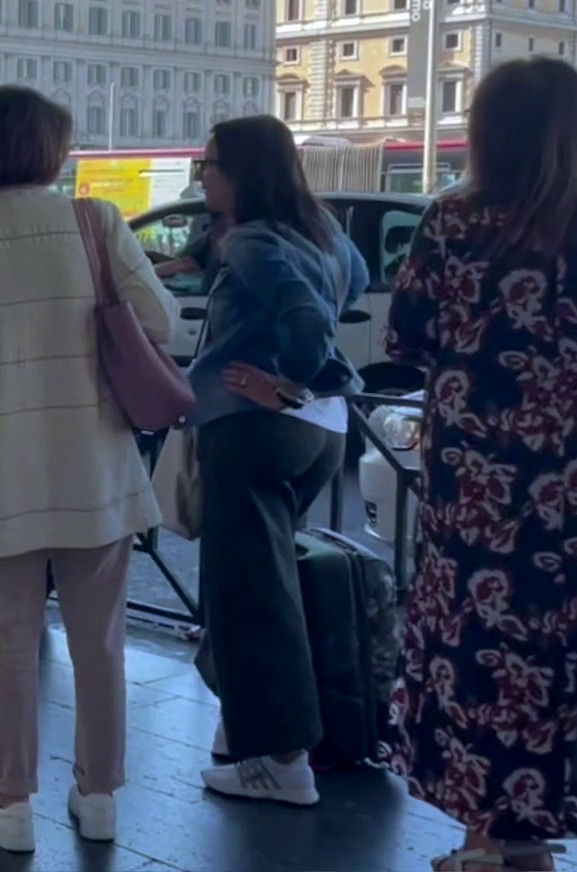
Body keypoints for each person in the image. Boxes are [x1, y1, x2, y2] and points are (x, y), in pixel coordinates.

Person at [0, 87, 173, 852]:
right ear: (51, 150)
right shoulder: (96, 222)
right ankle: (99, 796)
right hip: (96, 471)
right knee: (100, 642)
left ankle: (13, 803)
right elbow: (160, 321)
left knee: (10, 643)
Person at [383, 58, 577, 872]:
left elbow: (406, 338)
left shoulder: (452, 223)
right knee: (576, 660)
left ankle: (491, 841)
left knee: (479, 650)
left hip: (478, 493)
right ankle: (546, 830)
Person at [181, 115, 368, 807]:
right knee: (266, 581)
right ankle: (248, 725)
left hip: (253, 428)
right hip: (322, 432)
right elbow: (352, 286)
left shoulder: (253, 240)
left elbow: (307, 321)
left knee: (250, 593)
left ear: (243, 172)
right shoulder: (323, 230)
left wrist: (288, 379)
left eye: (210, 164)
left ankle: (283, 760)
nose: (203, 176)